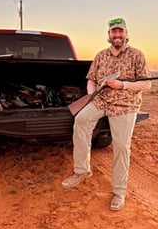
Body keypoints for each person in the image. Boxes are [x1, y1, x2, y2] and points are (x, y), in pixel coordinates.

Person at [62, 17, 151, 211]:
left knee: (121, 147)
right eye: (114, 32)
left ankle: (119, 192)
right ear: (109, 35)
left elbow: (146, 84)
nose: (117, 35)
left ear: (126, 34)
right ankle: (82, 171)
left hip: (125, 105)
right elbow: (91, 79)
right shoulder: (101, 55)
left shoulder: (136, 55)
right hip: (101, 101)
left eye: (120, 31)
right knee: (81, 120)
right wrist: (91, 93)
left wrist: (123, 85)